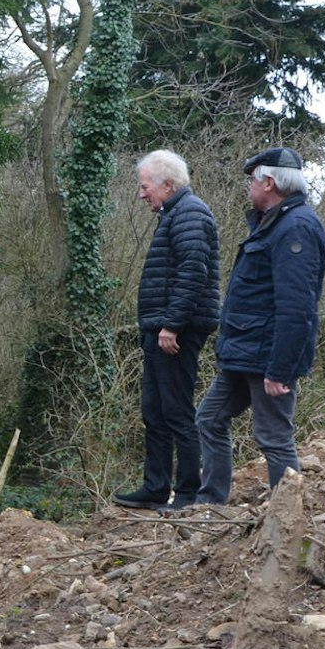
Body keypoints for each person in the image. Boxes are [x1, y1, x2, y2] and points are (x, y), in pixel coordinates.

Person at [194, 146, 325, 506]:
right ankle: (211, 506)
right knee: (209, 419)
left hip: (267, 358)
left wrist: (280, 369)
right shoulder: (271, 224)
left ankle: (288, 519)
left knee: (274, 438)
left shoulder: (296, 228)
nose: (247, 189)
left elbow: (298, 308)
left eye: (251, 181)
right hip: (242, 353)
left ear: (268, 182)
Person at [112, 150, 220, 510]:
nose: (142, 194)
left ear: (168, 185)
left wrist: (172, 325)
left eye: (145, 187)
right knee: (154, 409)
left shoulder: (190, 214)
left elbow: (193, 272)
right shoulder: (174, 215)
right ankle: (155, 487)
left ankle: (188, 493)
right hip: (160, 327)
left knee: (175, 410)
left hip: (176, 331)